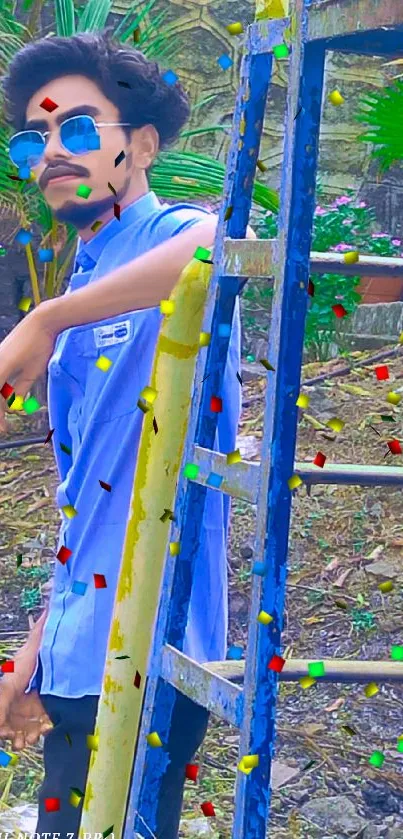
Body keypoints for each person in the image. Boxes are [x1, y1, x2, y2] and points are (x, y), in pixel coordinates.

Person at [0, 30, 255, 839]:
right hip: (79, 651)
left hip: (155, 648)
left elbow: (213, 250)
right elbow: (88, 496)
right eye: (34, 138)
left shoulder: (171, 235)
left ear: (141, 143)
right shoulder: (88, 274)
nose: (52, 153)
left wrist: (47, 317)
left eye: (79, 128)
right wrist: (30, 655)